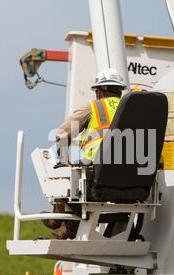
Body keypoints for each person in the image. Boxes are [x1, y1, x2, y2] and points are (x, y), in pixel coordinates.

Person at [43, 68, 127, 239]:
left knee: (65, 172)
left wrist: (67, 158)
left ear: (100, 91)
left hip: (99, 179)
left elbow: (61, 133)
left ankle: (60, 220)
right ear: (119, 91)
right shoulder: (133, 110)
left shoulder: (94, 107)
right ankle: (66, 226)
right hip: (133, 183)